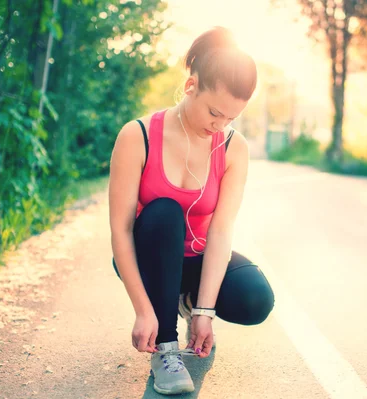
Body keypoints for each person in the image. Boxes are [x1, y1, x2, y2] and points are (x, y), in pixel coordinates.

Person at [108, 26, 275, 395]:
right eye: (215, 113)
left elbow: (220, 231)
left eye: (231, 118)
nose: (219, 126)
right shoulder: (138, 136)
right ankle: (166, 348)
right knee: (165, 212)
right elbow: (120, 231)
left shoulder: (234, 147)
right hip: (149, 258)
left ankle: (183, 304)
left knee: (255, 300)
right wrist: (143, 309)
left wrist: (204, 311)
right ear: (190, 87)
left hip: (198, 261)